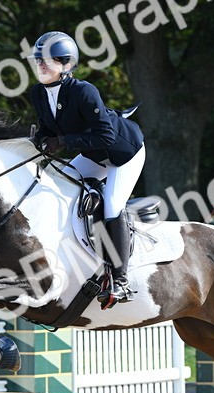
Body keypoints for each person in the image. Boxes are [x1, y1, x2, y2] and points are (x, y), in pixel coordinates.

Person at [28, 30, 145, 308]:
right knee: (60, 187)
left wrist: (63, 142)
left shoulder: (83, 91)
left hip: (123, 153)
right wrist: (38, 140)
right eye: (38, 60)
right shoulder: (38, 93)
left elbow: (106, 136)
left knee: (112, 204)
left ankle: (120, 280)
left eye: (47, 60)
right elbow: (47, 128)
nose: (41, 65)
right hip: (93, 155)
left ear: (66, 64)